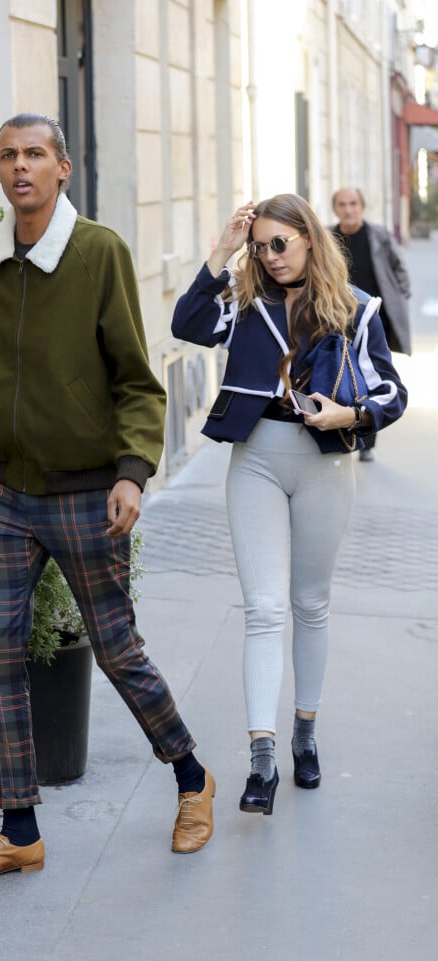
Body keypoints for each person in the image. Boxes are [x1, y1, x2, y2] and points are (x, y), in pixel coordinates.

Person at [0, 113, 214, 884]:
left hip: (86, 491)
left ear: (63, 168)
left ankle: (192, 778)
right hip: (2, 490)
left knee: (116, 649)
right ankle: (20, 828)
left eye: (35, 154)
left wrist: (132, 469)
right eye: (8, 156)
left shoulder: (98, 252)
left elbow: (136, 375)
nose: (21, 166)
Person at [172, 193, 407, 816]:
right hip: (255, 457)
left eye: (282, 243)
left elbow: (391, 390)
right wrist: (223, 250)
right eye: (261, 246)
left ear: (309, 238)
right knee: (264, 609)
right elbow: (187, 323)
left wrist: (352, 413)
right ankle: (262, 757)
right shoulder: (244, 305)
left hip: (326, 462)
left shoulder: (356, 309)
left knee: (310, 604)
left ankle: (305, 732)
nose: (271, 257)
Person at [331, 186, 411, 461]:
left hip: (375, 319)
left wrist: (401, 295)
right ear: (335, 209)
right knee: (344, 377)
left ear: (362, 206)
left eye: (353, 203)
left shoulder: (378, 235)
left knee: (374, 377)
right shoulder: (329, 239)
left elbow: (399, 268)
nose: (348, 209)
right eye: (342, 204)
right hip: (340, 320)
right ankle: (347, 431)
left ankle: (367, 439)